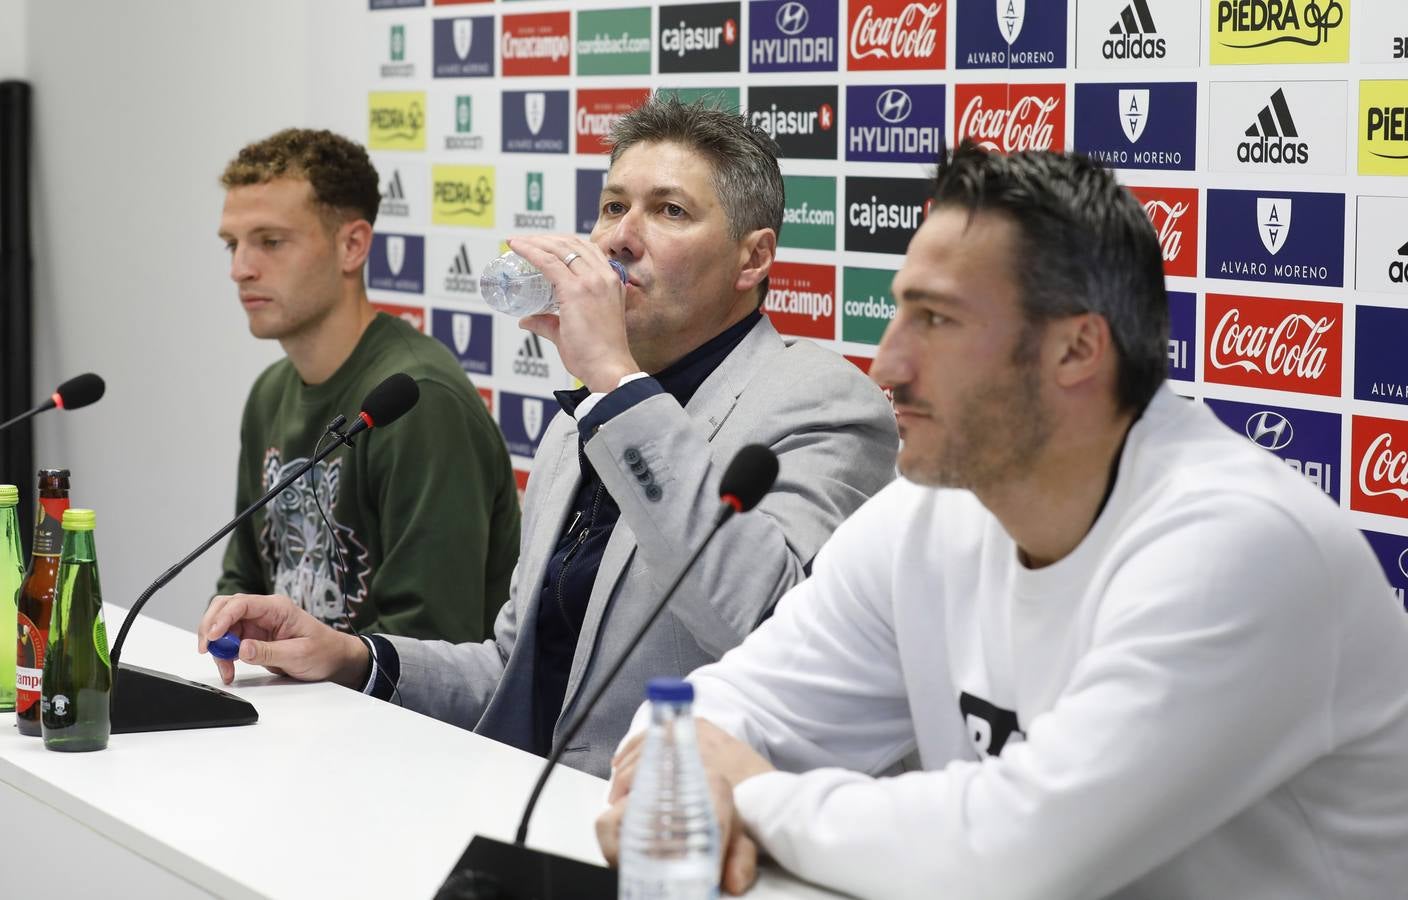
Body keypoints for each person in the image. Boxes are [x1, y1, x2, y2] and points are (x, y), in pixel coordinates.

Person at [598, 143, 1408, 898]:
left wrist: (755, 796)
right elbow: (722, 705)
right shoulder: (932, 512)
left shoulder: (1241, 545)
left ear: (1075, 351)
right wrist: (684, 773)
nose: (886, 363)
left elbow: (1016, 859)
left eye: (937, 320)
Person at [200, 98, 899, 778]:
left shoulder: (821, 400)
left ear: (753, 261)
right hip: (526, 809)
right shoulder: (585, 419)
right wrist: (353, 655)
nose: (620, 236)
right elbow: (514, 675)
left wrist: (616, 383)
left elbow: (766, 626)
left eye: (670, 211)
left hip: (681, 829)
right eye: (613, 206)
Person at [214, 128, 519, 644]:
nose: (240, 269)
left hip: (409, 720)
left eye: (270, 242)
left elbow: (430, 642)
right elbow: (242, 581)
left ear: (352, 246)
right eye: (232, 245)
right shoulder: (269, 393)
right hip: (298, 708)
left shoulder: (420, 403)